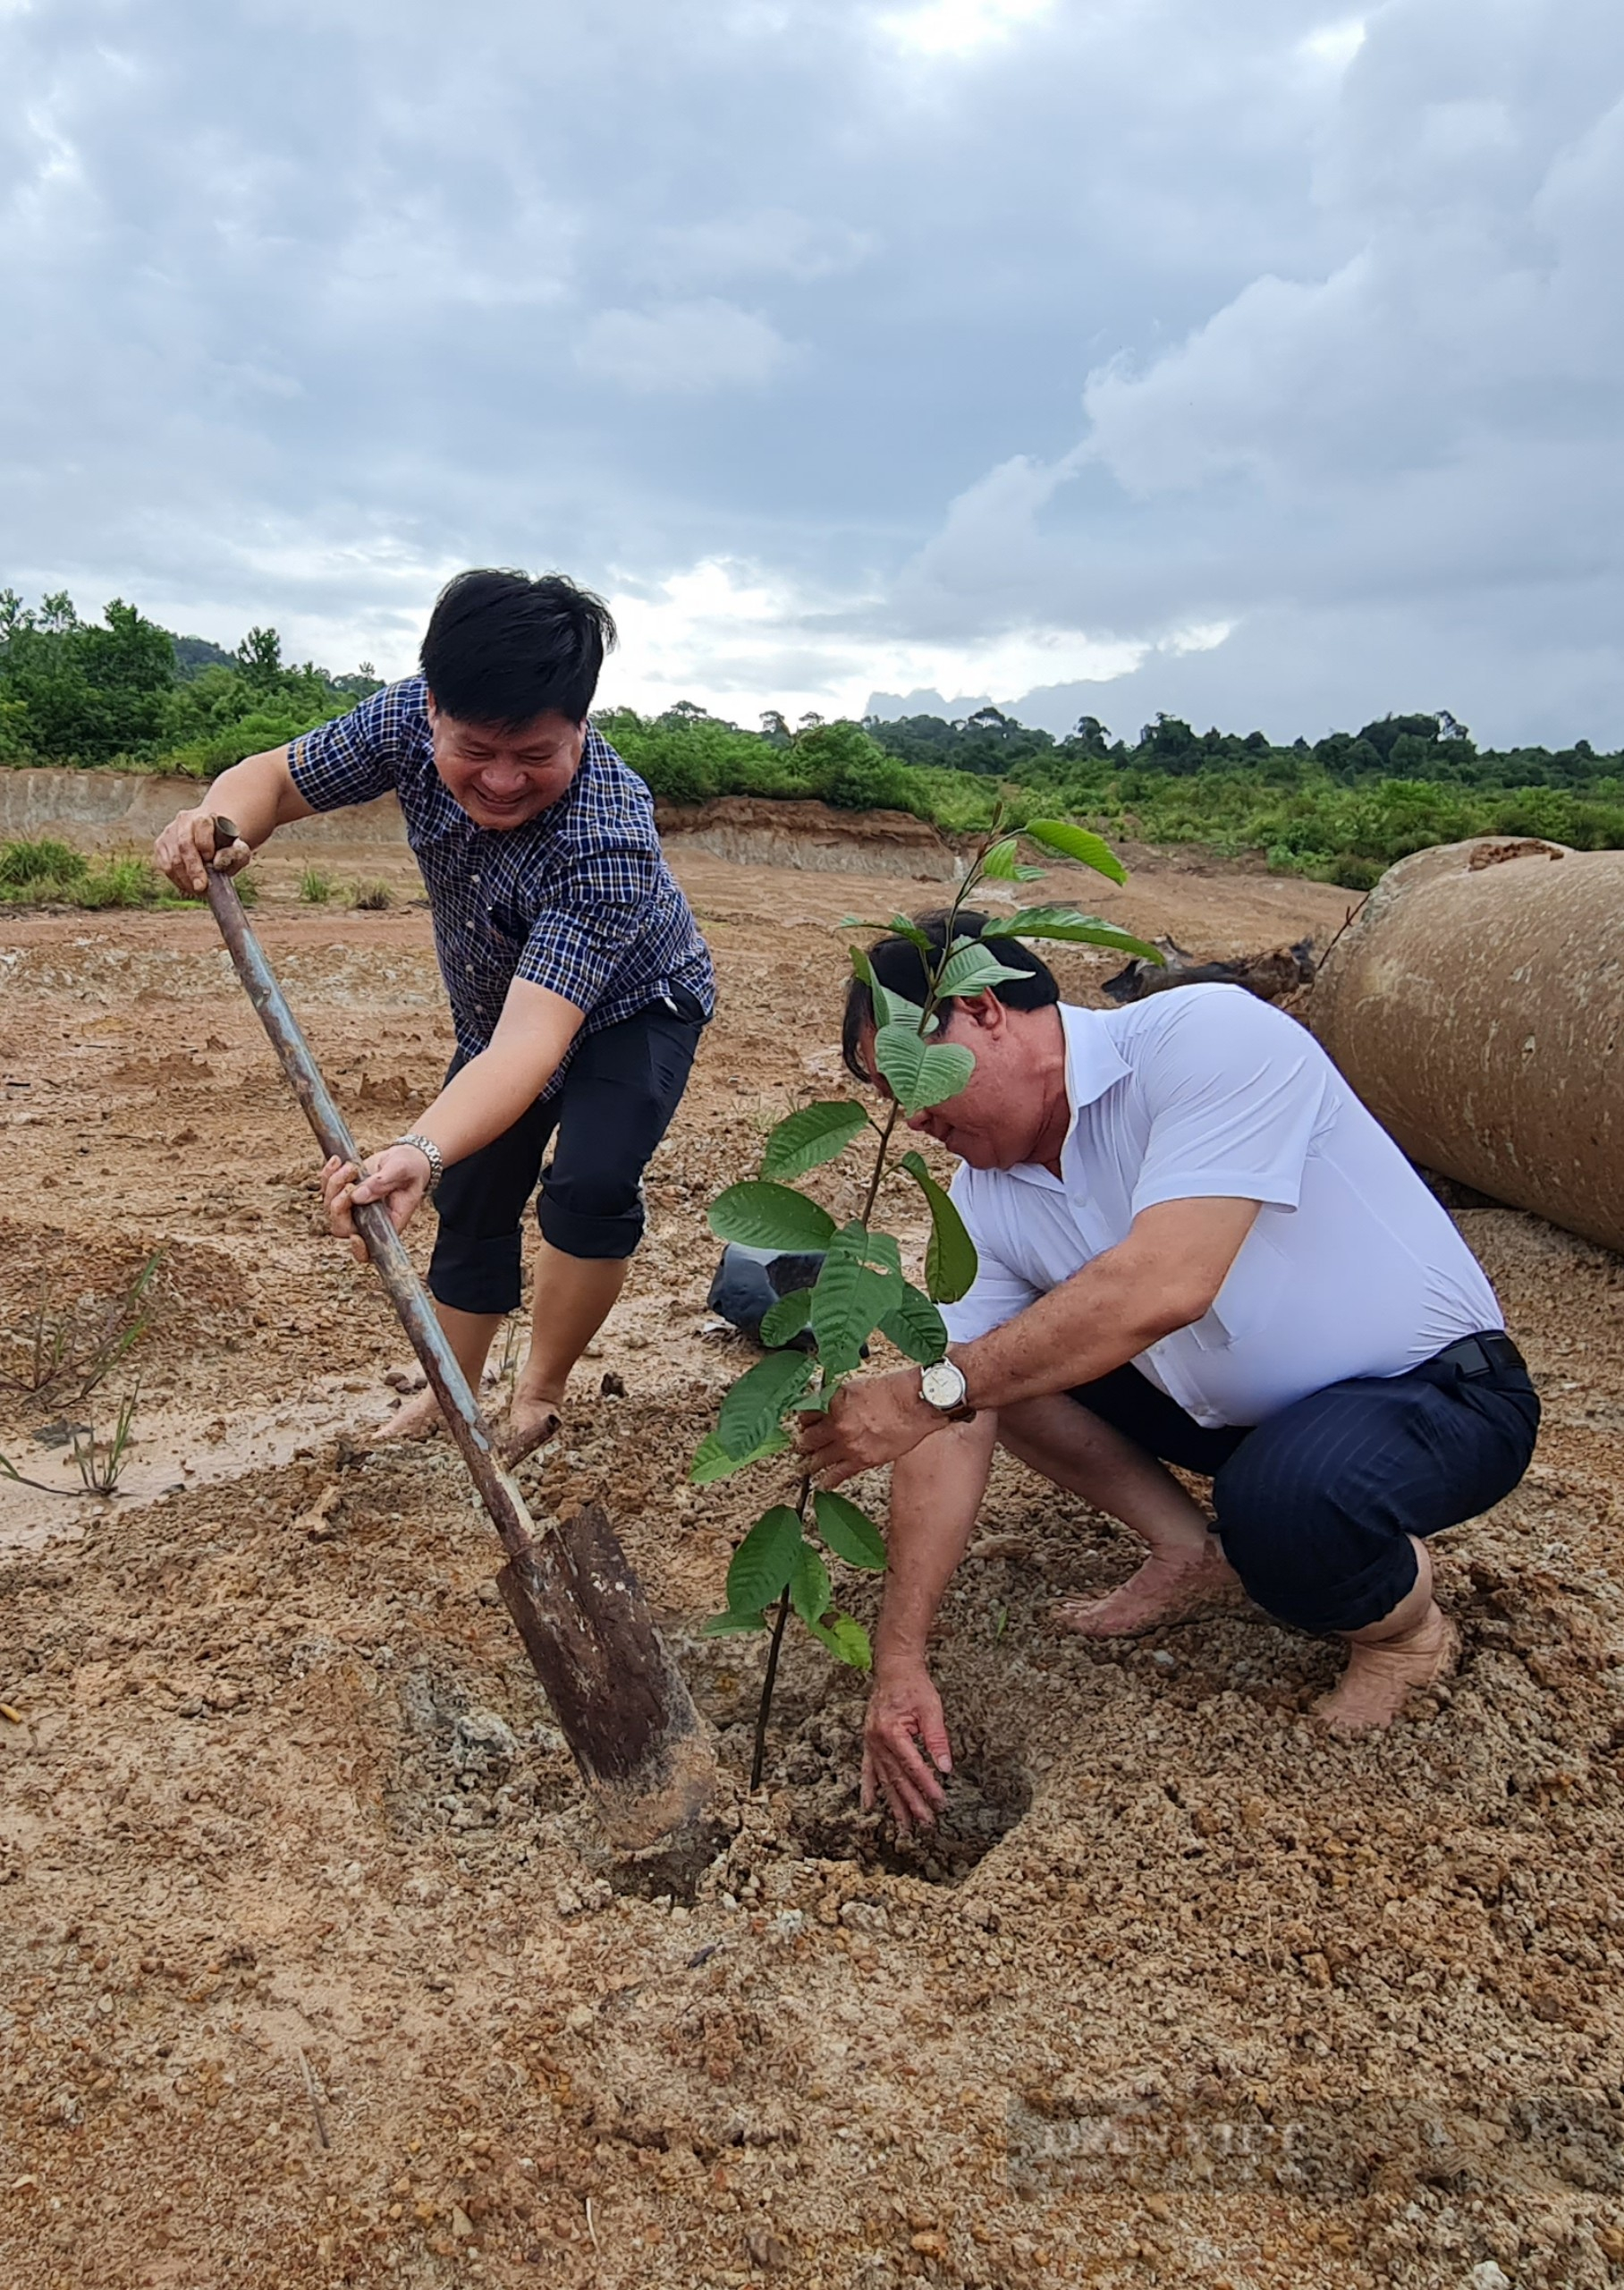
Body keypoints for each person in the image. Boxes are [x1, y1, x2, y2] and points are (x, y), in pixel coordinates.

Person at [798, 912, 1539, 1830]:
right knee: (990, 1370)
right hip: (1240, 1422)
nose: (909, 1115)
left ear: (984, 1009)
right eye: (884, 1095)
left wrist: (928, 1391)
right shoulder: (985, 1200)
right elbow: (951, 1416)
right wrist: (899, 1661)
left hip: (1435, 1392)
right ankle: (1190, 1553)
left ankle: (1406, 1632)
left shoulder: (1205, 1037)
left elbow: (1166, 1283)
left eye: (905, 1073)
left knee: (1284, 1506)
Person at [155, 568, 715, 1459]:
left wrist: (413, 1146)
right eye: (475, 749)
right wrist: (216, 823)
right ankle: (450, 1392)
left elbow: (535, 1044)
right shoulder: (401, 721)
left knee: (588, 1186)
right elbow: (273, 781)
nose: (499, 780)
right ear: (434, 715)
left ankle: (539, 1390)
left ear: (581, 726)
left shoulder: (606, 836)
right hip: (501, 1010)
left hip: (635, 1004)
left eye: (535, 756)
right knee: (476, 1190)